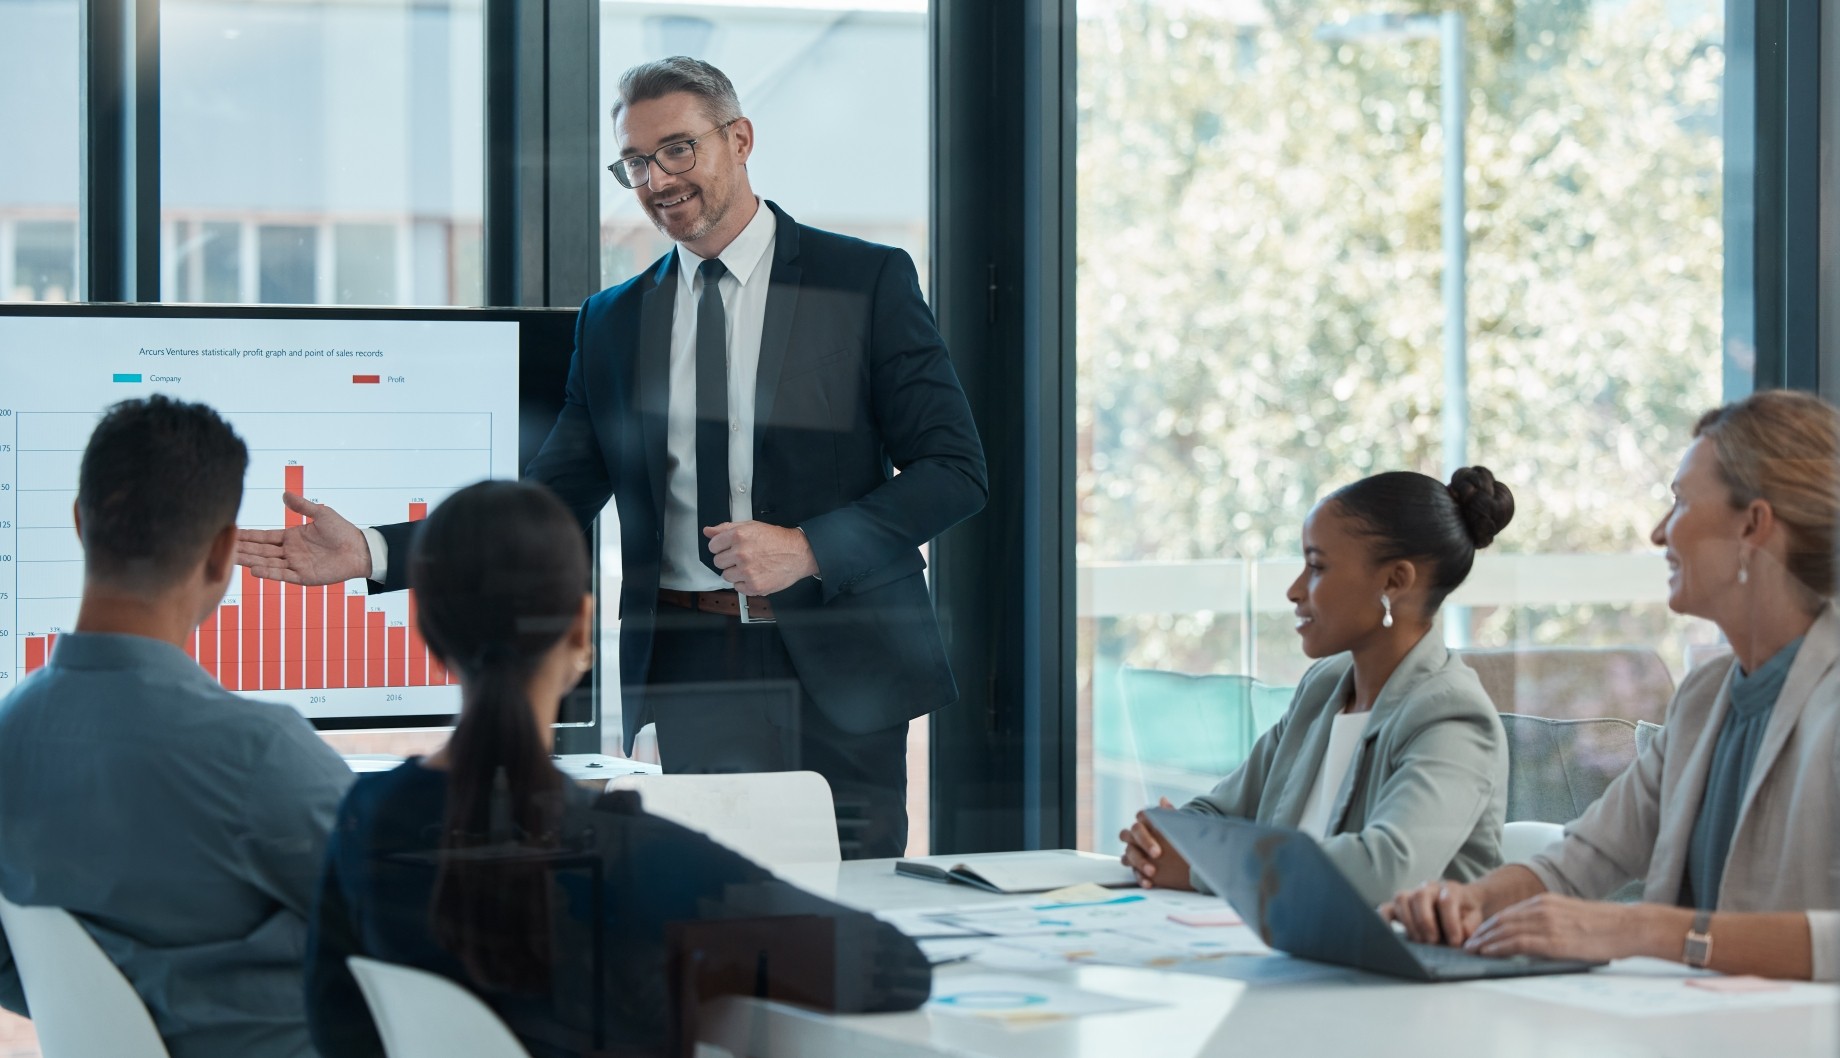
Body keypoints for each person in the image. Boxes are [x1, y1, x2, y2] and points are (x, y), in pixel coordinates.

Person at [235, 56, 986, 859]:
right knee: (713, 914)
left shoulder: (864, 280)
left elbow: (953, 471)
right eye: (634, 162)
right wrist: (376, 551)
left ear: (740, 139)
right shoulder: (615, 321)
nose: (655, 179)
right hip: (695, 665)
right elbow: (547, 502)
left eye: (676, 150)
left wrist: (808, 548)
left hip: (844, 663)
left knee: (855, 914)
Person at [305, 480, 931, 1058]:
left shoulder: (366, 819)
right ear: (581, 632)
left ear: (430, 633)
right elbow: (894, 969)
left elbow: (338, 1025)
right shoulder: (638, 859)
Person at [1387, 390, 1840, 981]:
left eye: (1679, 504)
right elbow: (1586, 859)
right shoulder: (1707, 696)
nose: (1658, 533)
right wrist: (1467, 901)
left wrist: (1645, 929)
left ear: (1752, 525)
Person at [0, 397, 353, 1058]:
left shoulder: (8, 736)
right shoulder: (257, 756)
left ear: (81, 524)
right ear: (223, 552)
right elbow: (405, 922)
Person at [1119, 467, 1516, 906]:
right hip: (1297, 957)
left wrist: (1201, 867)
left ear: (1394, 581)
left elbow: (1382, 872)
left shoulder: (1452, 716)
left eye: (1316, 567)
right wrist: (1162, 839)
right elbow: (1219, 812)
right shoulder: (1324, 689)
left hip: (1394, 969)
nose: (1293, 590)